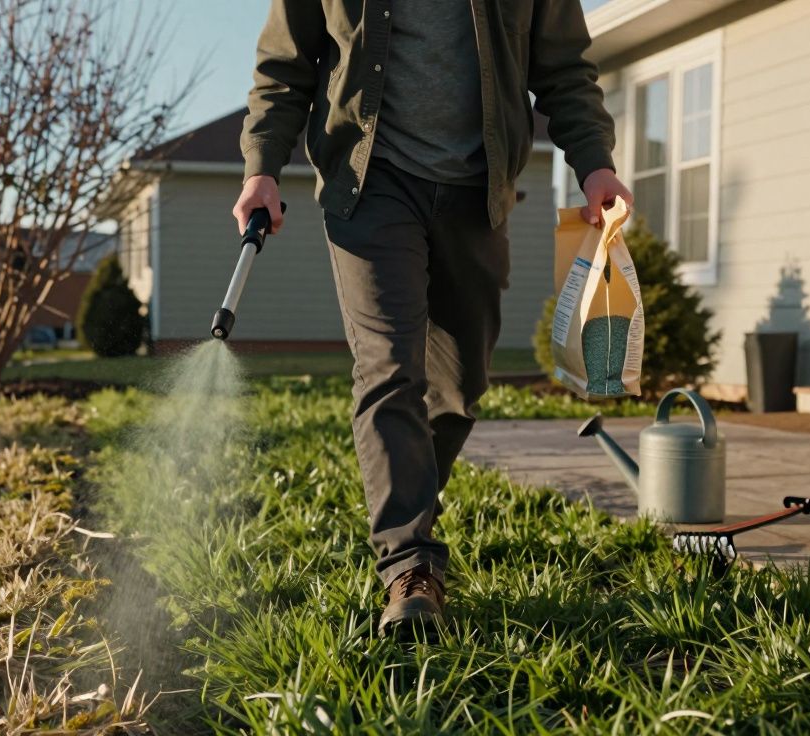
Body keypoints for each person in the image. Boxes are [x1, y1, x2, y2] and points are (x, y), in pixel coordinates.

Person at [232, 0, 634, 635]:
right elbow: (285, 66)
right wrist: (262, 168)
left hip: (478, 191)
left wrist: (595, 163)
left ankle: (409, 503)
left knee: (459, 386)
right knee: (390, 370)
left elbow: (562, 68)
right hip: (370, 184)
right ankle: (410, 567)